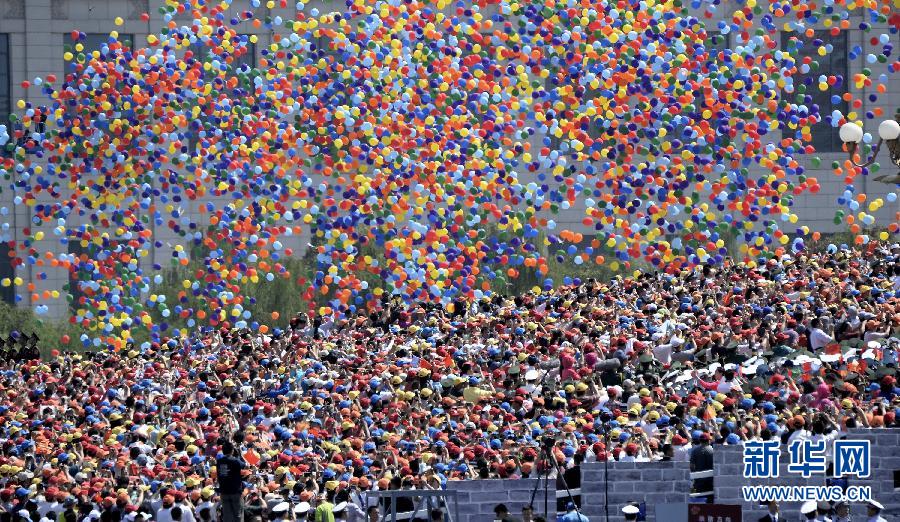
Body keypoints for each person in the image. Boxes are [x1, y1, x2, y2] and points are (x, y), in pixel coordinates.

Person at [216, 442, 245, 522]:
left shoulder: (219, 461)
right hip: (235, 492)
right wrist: (239, 455)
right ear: (232, 450)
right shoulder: (235, 460)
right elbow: (244, 465)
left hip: (224, 492)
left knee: (227, 516)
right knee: (238, 515)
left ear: (223, 451)